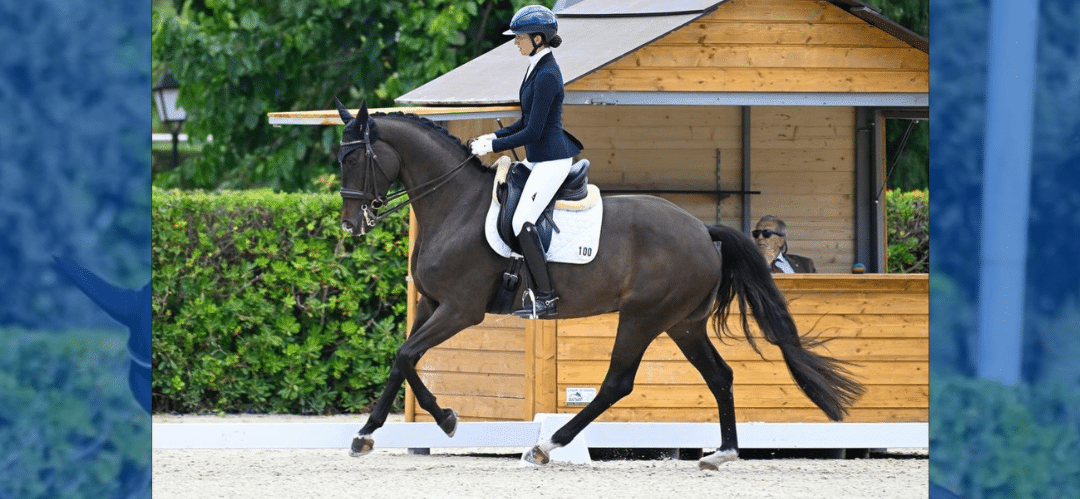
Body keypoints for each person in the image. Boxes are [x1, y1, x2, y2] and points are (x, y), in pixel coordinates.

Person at [469, 5, 582, 319]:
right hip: (539, 159)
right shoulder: (535, 66)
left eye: (519, 37)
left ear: (538, 38)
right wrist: (490, 136)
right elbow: (525, 121)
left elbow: (533, 130)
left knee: (522, 221)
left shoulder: (547, 74)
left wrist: (493, 144)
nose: (515, 42)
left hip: (553, 160)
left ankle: (546, 298)